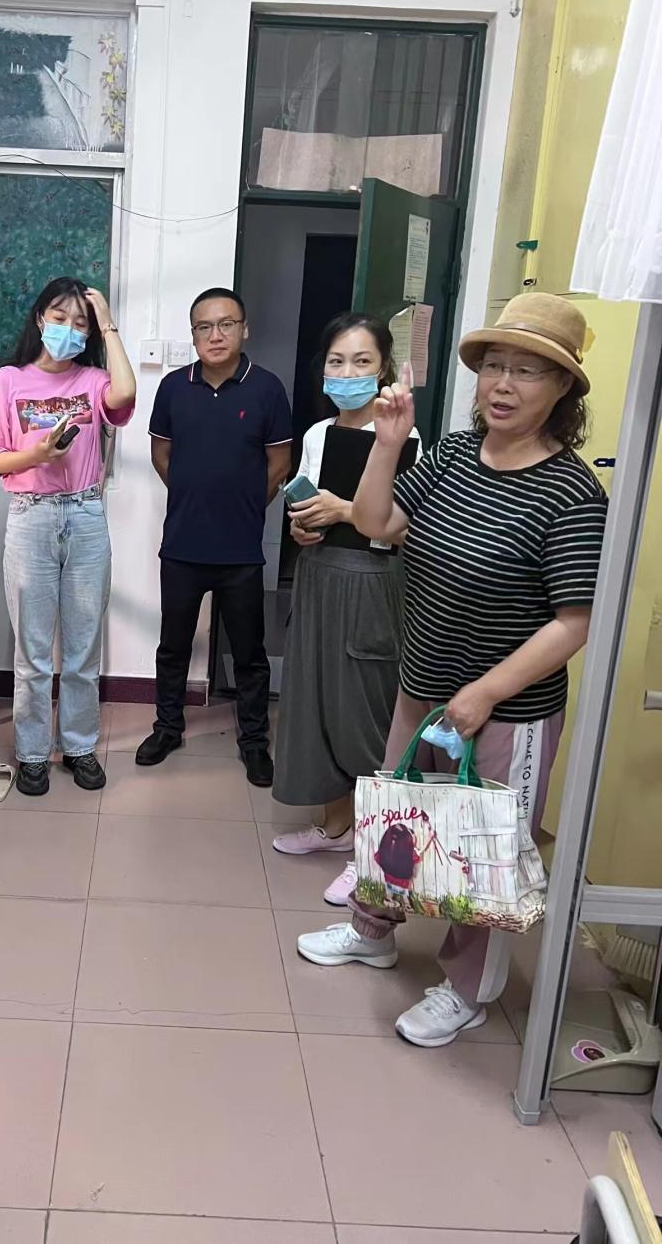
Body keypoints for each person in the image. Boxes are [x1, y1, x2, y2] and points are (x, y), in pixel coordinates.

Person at [297, 293, 608, 1048]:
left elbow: (575, 621)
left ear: (562, 388)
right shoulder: (453, 456)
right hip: (423, 682)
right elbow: (377, 523)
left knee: (483, 849)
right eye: (494, 366)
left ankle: (467, 988)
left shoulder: (572, 492)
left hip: (508, 708)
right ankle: (372, 932)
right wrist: (387, 442)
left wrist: (486, 693)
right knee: (399, 818)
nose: (503, 384)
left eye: (527, 372)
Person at [271, 314, 420, 906]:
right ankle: (335, 829)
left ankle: (373, 853)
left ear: (383, 369)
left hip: (371, 582)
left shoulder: (403, 437)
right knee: (316, 704)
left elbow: (403, 528)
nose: (348, 372)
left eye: (362, 362)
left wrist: (346, 510)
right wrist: (304, 526)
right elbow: (306, 503)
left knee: (363, 713)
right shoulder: (317, 433)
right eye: (337, 361)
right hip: (318, 575)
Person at [0, 277, 136, 796]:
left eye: (80, 323)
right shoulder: (9, 381)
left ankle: (79, 746)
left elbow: (126, 395)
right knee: (34, 651)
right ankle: (33, 753)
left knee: (83, 648)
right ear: (41, 319)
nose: (69, 330)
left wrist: (108, 323)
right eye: (60, 318)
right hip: (31, 517)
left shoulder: (92, 380)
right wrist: (36, 455)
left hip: (85, 516)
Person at [136, 288, 293, 786]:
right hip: (183, 545)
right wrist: (192, 495)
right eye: (204, 326)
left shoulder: (267, 388)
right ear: (194, 335)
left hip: (241, 549)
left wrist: (242, 506)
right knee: (173, 646)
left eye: (226, 324)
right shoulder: (173, 388)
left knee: (249, 652)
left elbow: (280, 464)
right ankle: (168, 728)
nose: (216, 335)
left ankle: (254, 742)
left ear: (245, 329)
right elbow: (161, 455)